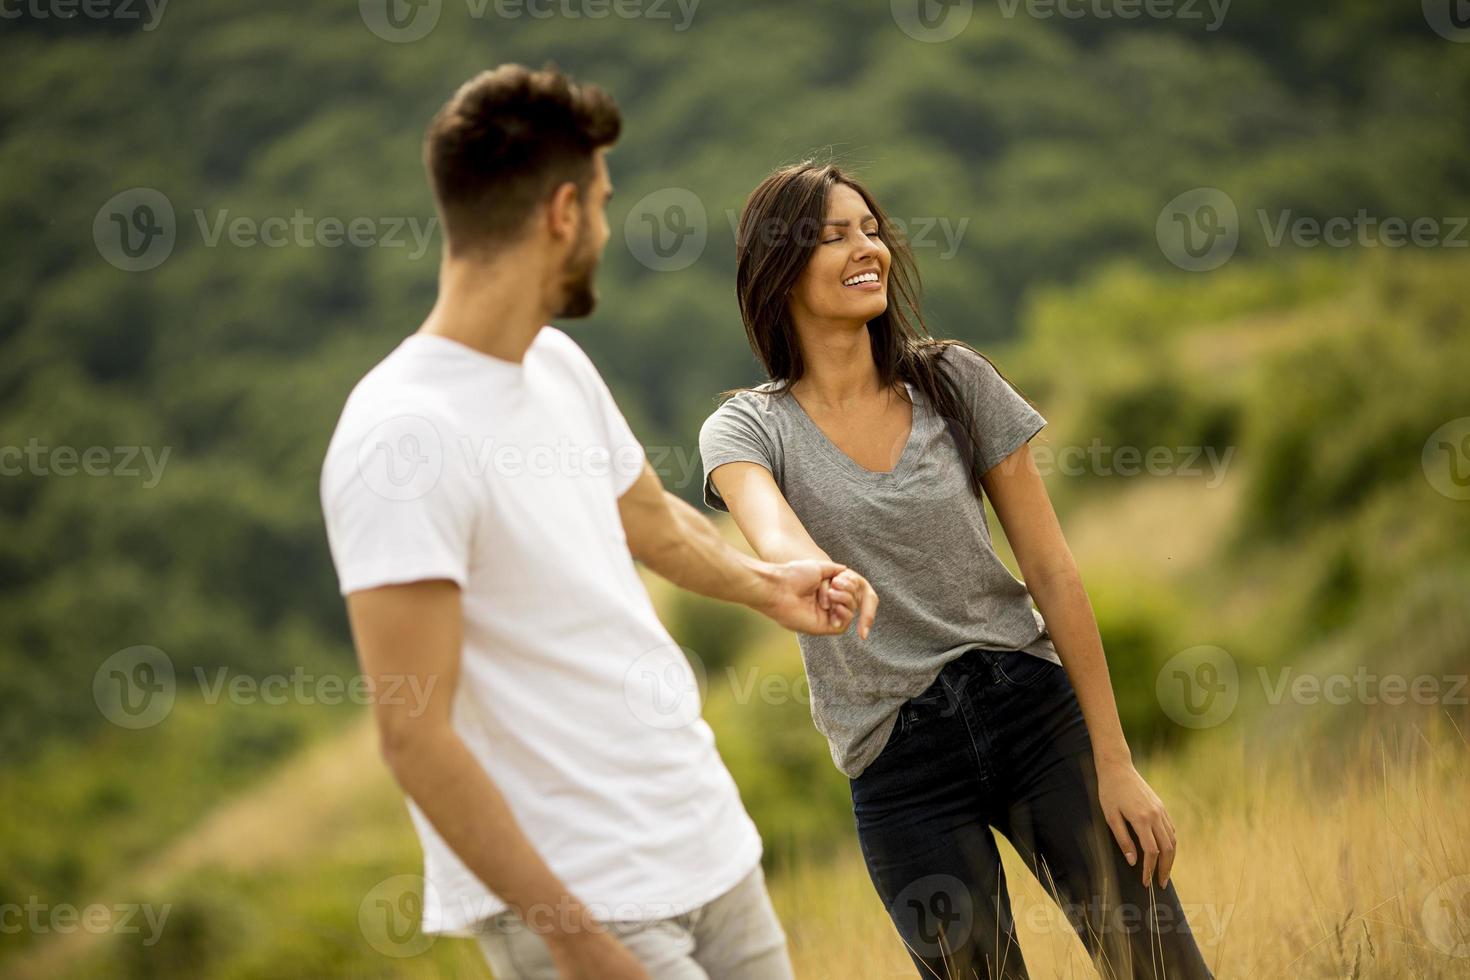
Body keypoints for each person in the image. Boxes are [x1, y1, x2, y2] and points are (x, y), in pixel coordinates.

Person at [319, 67, 871, 980]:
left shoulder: (556, 365)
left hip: (705, 848)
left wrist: (770, 586)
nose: (609, 232)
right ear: (564, 213)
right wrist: (579, 947)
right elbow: (412, 736)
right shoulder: (398, 437)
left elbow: (653, 527)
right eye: (606, 204)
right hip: (581, 907)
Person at [698, 161, 1216, 979]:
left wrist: (1115, 762)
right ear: (779, 268)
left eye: (870, 229)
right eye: (833, 236)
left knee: (1160, 966)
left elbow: (1051, 568)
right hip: (899, 769)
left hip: (1033, 717)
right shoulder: (746, 427)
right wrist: (816, 575)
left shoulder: (952, 379)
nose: (866, 248)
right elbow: (770, 527)